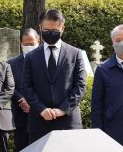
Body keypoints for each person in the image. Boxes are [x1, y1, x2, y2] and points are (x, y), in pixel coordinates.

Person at [22, 9, 87, 143]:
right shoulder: (31, 57)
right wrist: (42, 109)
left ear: (62, 28)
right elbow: (26, 86)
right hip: (39, 123)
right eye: (46, 30)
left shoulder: (75, 54)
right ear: (40, 27)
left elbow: (81, 85)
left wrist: (63, 109)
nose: (50, 33)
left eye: (55, 30)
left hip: (68, 123)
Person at [8, 28, 41, 152]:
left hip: (40, 115)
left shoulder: (43, 62)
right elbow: (10, 87)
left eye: (32, 44)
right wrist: (21, 100)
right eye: (25, 44)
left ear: (39, 43)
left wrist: (34, 104)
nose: (29, 46)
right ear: (21, 44)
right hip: (21, 115)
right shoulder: (12, 63)